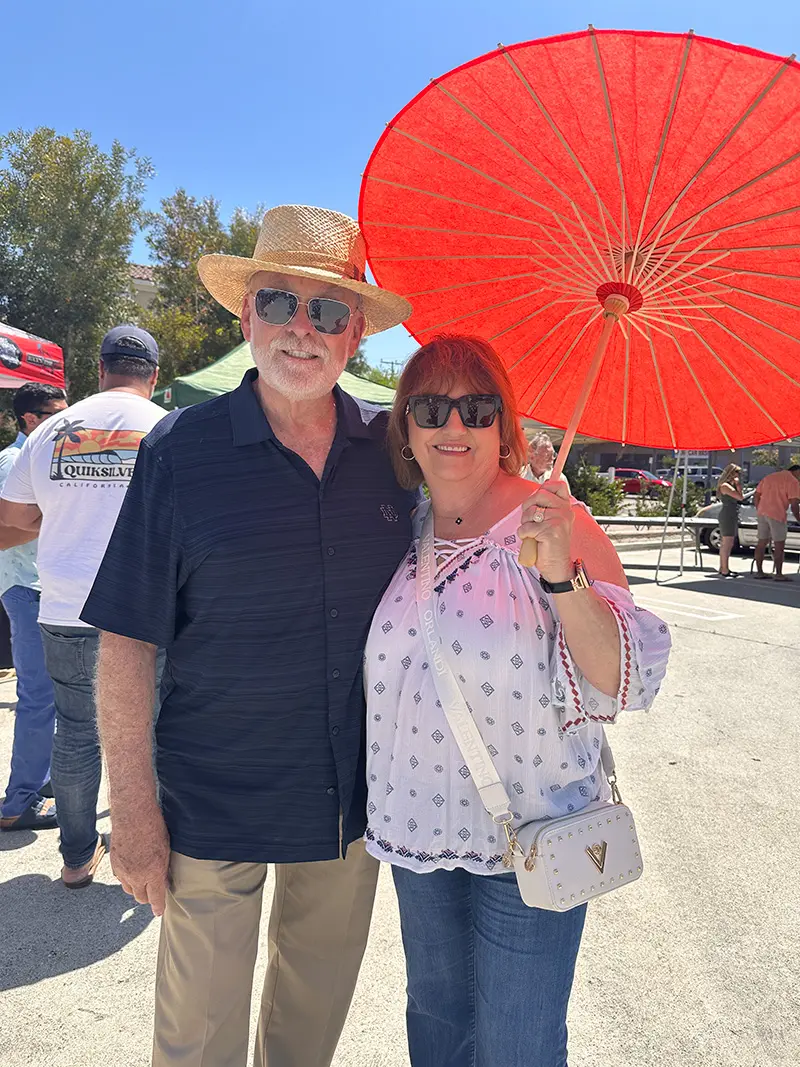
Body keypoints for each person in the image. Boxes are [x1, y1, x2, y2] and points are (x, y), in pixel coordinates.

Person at [80, 205, 416, 1067]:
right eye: (279, 303)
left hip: (350, 804)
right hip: (211, 804)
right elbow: (126, 642)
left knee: (308, 1036)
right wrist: (135, 813)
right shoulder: (179, 452)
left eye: (329, 311)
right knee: (195, 1040)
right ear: (246, 318)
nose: (302, 329)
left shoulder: (394, 452)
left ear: (354, 339)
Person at [364, 335, 671, 1067]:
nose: (454, 428)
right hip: (419, 832)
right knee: (435, 1026)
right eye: (431, 408)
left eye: (477, 408)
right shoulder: (402, 527)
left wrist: (564, 574)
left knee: (518, 1048)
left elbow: (619, 679)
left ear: (506, 423)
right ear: (405, 427)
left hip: (531, 836)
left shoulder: (555, 523)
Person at [0, 326, 165, 885]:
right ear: (155, 377)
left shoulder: (51, 429)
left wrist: (69, 511)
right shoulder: (168, 427)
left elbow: (17, 517)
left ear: (99, 370)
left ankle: (75, 859)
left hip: (66, 607)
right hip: (145, 611)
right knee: (154, 730)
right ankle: (150, 847)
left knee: (74, 732)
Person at [0, 382, 67, 831]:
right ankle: (17, 802)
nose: (65, 419)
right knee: (39, 697)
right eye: (55, 412)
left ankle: (39, 781)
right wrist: (66, 516)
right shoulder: (13, 460)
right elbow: (6, 529)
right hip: (27, 589)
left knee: (54, 698)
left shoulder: (42, 455)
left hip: (43, 588)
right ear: (30, 418)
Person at [753, 464, 800, 581]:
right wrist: (799, 519)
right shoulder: (793, 482)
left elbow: (756, 495)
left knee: (761, 543)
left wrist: (759, 508)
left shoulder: (769, 477)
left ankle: (759, 571)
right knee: (779, 545)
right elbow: (794, 505)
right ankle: (778, 574)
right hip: (777, 514)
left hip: (762, 513)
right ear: (797, 472)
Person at [714, 463, 744, 579]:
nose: (738, 475)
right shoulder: (725, 486)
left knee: (728, 542)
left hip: (731, 514)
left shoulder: (728, 485)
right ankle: (724, 569)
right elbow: (740, 497)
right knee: (727, 542)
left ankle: (723, 567)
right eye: (737, 472)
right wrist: (737, 484)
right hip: (727, 515)